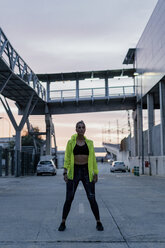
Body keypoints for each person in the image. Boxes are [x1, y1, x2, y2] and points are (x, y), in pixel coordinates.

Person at [58, 120, 104, 231]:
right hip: (74, 172)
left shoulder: (90, 143)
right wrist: (65, 172)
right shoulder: (70, 142)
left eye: (83, 127)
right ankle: (63, 222)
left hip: (86, 172)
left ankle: (98, 222)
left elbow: (93, 159)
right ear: (76, 129)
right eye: (79, 127)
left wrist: (96, 173)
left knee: (92, 198)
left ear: (85, 129)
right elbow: (67, 158)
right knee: (69, 198)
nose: (81, 129)